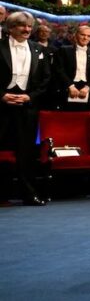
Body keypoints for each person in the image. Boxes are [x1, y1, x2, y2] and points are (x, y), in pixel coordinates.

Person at [0, 11, 51, 205]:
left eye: (29, 26)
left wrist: (29, 96)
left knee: (26, 153)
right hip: (2, 106)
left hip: (27, 107)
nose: (27, 29)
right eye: (22, 25)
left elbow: (46, 79)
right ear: (11, 28)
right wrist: (2, 96)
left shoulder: (39, 49)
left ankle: (28, 194)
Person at [53, 25, 90, 111]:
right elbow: (59, 69)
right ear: (76, 35)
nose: (85, 38)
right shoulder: (64, 50)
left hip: (86, 89)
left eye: (88, 36)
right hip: (67, 87)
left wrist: (87, 87)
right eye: (83, 35)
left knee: (85, 118)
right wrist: (70, 86)